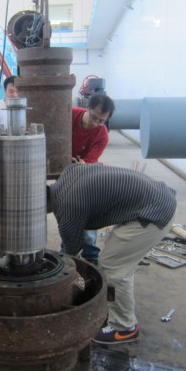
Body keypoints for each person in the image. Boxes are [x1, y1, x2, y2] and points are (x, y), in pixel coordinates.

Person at [47, 163, 177, 344]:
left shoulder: (68, 208)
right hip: (153, 197)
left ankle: (124, 327)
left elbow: (71, 255)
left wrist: (62, 280)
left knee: (113, 268)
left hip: (153, 212)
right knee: (116, 258)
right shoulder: (67, 174)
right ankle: (115, 306)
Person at [70, 94, 115, 263]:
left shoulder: (102, 136)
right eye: (94, 117)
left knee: (87, 213)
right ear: (87, 108)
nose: (95, 123)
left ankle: (90, 257)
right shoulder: (69, 115)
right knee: (67, 213)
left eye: (101, 121)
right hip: (61, 167)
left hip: (83, 174)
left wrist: (83, 164)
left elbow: (89, 162)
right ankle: (67, 250)